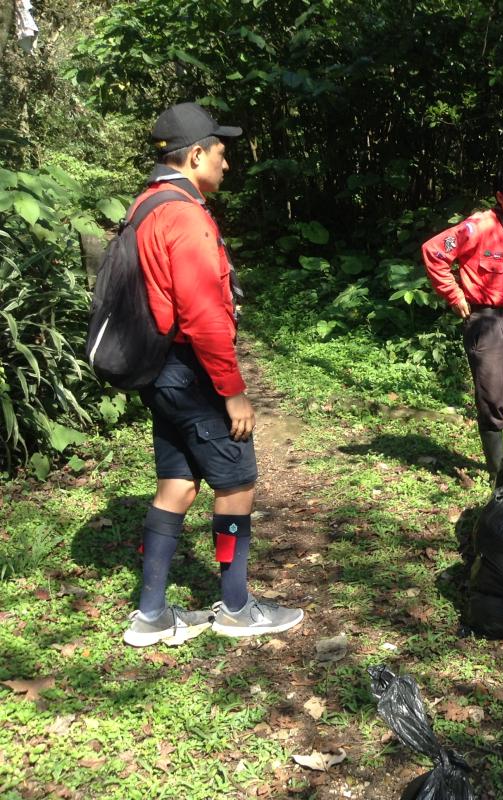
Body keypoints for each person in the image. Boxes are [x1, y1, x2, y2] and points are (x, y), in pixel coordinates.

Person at [123, 102, 304, 647]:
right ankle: (235, 606)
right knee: (237, 484)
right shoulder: (183, 215)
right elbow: (203, 317)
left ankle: (151, 614)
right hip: (190, 372)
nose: (226, 164)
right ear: (196, 154)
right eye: (221, 154)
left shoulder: (147, 205)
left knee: (176, 483)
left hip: (158, 371)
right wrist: (233, 393)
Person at [421, 163, 503, 481]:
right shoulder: (477, 226)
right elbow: (434, 251)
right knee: (492, 398)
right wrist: (455, 295)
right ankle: (497, 472)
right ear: (501, 198)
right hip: (485, 321)